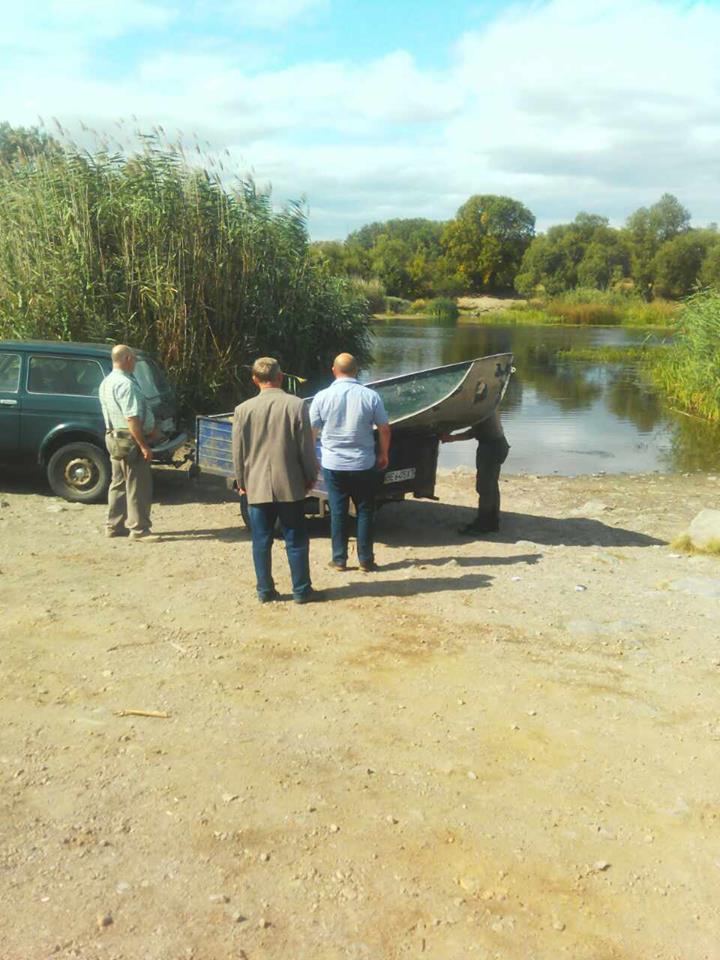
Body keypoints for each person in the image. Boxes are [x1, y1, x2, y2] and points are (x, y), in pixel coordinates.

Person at [232, 357, 321, 604]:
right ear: (280, 377)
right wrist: (310, 475)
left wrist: (241, 481)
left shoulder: (242, 410)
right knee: (296, 537)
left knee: (261, 539)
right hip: (290, 483)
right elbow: (306, 447)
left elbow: (237, 450)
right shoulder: (296, 405)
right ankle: (301, 590)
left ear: (254, 380)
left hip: (256, 484)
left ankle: (265, 590)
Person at [309, 353, 391, 572]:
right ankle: (365, 559)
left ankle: (339, 559)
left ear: (334, 370)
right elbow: (384, 428)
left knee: (338, 511)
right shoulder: (370, 396)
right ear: (357, 370)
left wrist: (310, 457)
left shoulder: (322, 396)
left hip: (333, 463)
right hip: (363, 463)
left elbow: (311, 430)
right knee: (365, 510)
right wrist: (383, 453)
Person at [99, 344, 160, 541]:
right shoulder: (126, 384)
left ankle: (114, 525)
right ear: (126, 359)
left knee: (118, 483)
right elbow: (132, 418)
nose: (134, 362)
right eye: (133, 358)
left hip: (114, 437)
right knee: (137, 485)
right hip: (128, 440)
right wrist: (143, 445)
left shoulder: (107, 382)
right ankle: (139, 529)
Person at [441, 410, 510, 535]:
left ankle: (484, 524)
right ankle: (492, 521)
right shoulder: (489, 404)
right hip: (499, 444)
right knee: (491, 486)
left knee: (484, 487)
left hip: (491, 446)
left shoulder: (482, 409)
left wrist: (452, 437)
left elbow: (473, 432)